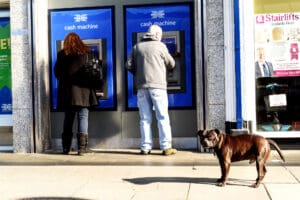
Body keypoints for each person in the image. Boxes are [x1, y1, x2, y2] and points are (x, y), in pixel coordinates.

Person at [125, 25, 177, 156]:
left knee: (144, 119)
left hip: (142, 87)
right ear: (158, 35)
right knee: (162, 117)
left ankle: (145, 147)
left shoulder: (137, 47)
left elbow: (128, 65)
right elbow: (172, 64)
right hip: (158, 87)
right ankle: (166, 147)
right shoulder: (161, 46)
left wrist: (139, 73)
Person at [54, 32, 98, 155]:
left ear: (66, 42)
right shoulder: (87, 53)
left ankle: (65, 148)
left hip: (68, 93)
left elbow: (57, 73)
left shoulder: (62, 54)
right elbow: (93, 71)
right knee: (83, 117)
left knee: (68, 118)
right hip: (84, 91)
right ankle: (82, 149)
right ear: (80, 41)